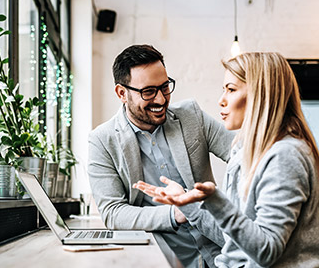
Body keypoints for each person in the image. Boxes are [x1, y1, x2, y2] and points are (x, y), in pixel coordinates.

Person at [133, 52, 319, 267]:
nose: (221, 100)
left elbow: (267, 250)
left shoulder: (285, 156)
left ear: (261, 95)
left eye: (231, 90)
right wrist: (187, 202)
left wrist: (216, 201)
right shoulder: (244, 151)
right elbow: (234, 241)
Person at [88, 44, 235, 268]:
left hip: (218, 254)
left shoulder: (191, 117)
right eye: (148, 91)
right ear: (121, 93)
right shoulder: (102, 140)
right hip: (161, 258)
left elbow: (244, 155)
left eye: (165, 87)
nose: (160, 99)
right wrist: (176, 213)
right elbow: (113, 213)